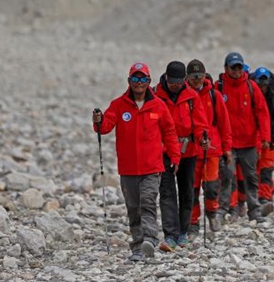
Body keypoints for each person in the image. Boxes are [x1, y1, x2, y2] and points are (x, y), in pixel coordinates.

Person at [93, 62, 180, 261]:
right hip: (128, 168)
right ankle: (137, 247)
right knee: (133, 207)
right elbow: (105, 127)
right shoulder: (118, 105)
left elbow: (169, 132)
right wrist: (98, 120)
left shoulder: (158, 105)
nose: (139, 82)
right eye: (135, 78)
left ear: (149, 81)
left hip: (152, 167)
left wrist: (175, 156)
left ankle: (149, 239)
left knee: (148, 202)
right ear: (129, 81)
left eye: (142, 79)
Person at [154, 61, 208, 249]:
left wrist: (203, 139)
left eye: (179, 81)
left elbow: (200, 124)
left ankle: (183, 231)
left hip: (188, 151)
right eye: (172, 82)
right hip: (165, 151)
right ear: (166, 78)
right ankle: (170, 234)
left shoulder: (192, 97)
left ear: (184, 79)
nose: (175, 85)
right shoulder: (155, 95)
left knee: (187, 192)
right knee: (167, 193)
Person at [216, 52, 271, 222]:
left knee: (251, 177)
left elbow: (262, 113)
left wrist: (265, 137)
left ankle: (254, 210)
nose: (237, 70)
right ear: (226, 68)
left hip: (248, 143)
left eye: (239, 66)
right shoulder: (219, 87)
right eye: (233, 67)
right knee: (226, 177)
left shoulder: (251, 87)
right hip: (228, 144)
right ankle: (224, 209)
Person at [186, 59, 231, 234]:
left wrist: (227, 148)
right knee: (193, 189)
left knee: (212, 187)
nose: (197, 79)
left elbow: (224, 124)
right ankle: (193, 221)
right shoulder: (185, 95)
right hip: (191, 150)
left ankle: (212, 214)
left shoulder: (215, 95)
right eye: (193, 76)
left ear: (205, 75)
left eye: (199, 75)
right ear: (187, 77)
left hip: (212, 150)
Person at [252, 67, 274, 213]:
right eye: (260, 83)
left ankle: (265, 198)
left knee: (266, 168)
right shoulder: (250, 96)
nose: (262, 86)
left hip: (270, 139)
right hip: (254, 138)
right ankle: (262, 194)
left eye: (264, 83)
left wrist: (268, 127)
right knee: (255, 169)